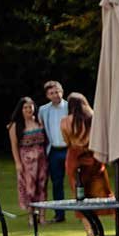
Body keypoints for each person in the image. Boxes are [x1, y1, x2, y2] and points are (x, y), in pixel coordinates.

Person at [60, 93, 117, 236]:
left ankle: (90, 231)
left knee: (80, 196)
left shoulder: (65, 122)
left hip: (75, 159)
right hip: (93, 157)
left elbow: (67, 142)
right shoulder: (93, 118)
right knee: (106, 193)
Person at [7, 97, 48, 216]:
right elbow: (14, 145)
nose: (28, 110)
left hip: (41, 158)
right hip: (27, 160)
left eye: (30, 107)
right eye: (25, 107)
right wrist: (18, 163)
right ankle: (31, 216)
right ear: (21, 110)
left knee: (42, 186)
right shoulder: (15, 126)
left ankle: (42, 216)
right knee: (30, 187)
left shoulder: (39, 122)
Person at [38, 80, 68, 221]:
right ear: (47, 96)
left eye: (57, 92)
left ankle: (83, 213)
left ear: (62, 92)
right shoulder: (43, 110)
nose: (55, 95)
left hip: (69, 149)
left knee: (77, 182)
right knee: (56, 183)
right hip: (53, 150)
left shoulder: (69, 107)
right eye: (52, 93)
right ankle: (59, 214)